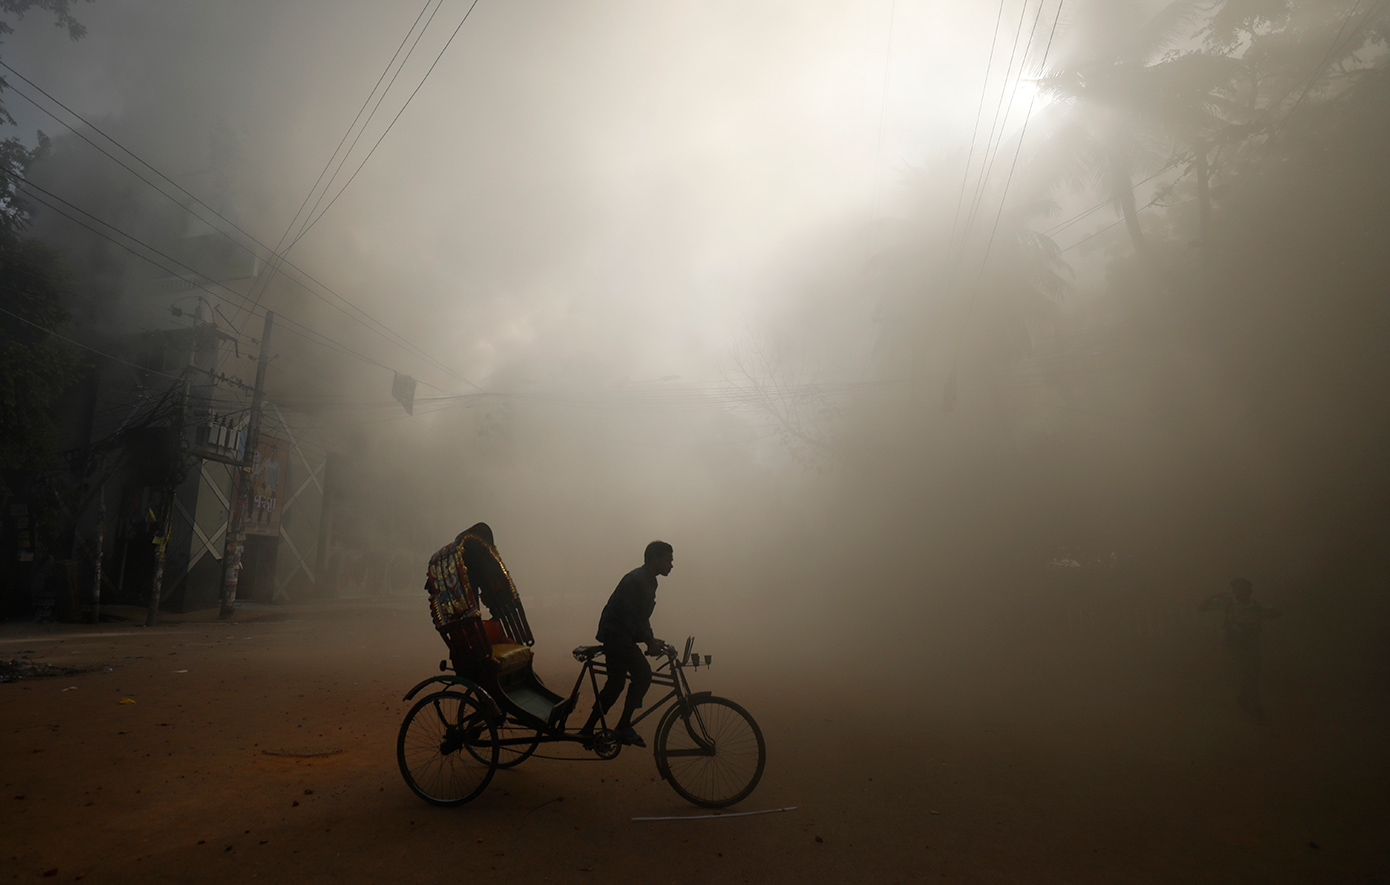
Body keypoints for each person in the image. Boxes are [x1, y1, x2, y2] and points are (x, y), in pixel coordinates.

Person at [580, 540, 673, 747]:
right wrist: (647, 640)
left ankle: (587, 729)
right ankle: (623, 725)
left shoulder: (650, 581)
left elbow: (642, 616)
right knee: (643, 674)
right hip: (616, 634)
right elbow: (629, 615)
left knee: (615, 684)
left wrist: (650, 637)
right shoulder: (635, 580)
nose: (671, 566)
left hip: (623, 635)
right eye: (668, 561)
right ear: (654, 559)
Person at [1200, 577, 1281, 721]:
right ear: (1235, 592)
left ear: (1250, 591)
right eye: (1239, 590)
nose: (1242, 592)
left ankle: (1243, 697)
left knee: (1254, 672)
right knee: (1249, 673)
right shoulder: (1228, 603)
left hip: (1252, 643)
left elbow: (1277, 612)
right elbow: (1202, 607)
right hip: (1234, 643)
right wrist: (1214, 596)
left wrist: (1259, 616)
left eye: (1245, 590)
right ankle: (1255, 706)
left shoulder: (1256, 604)